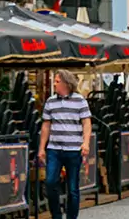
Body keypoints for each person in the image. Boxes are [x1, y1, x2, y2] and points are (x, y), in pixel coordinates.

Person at [40, 69, 92, 219]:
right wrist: (41, 148)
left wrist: (86, 143)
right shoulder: (50, 102)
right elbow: (46, 126)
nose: (54, 84)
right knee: (50, 182)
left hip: (74, 149)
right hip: (54, 149)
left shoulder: (80, 101)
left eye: (57, 81)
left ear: (66, 83)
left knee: (73, 188)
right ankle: (56, 215)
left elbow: (86, 123)